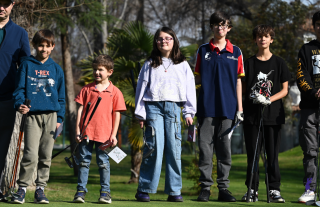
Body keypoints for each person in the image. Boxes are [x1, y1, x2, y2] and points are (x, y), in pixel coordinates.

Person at [134, 27, 196, 202]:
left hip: (174, 109)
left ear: (174, 40)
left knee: (174, 149)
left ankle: (174, 191)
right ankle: (144, 189)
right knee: (153, 147)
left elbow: (190, 88)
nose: (164, 41)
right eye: (160, 39)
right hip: (153, 108)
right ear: (156, 42)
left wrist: (189, 112)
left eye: (168, 38)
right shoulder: (149, 64)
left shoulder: (182, 64)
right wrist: (140, 114)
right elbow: (141, 89)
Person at [194, 11, 244, 202]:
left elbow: (239, 82)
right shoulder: (203, 50)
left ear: (229, 28)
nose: (220, 28)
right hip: (206, 108)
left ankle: (224, 189)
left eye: (223, 25)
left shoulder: (236, 52)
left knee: (224, 150)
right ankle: (205, 188)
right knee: (205, 149)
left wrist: (239, 109)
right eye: (216, 24)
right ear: (211, 27)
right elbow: (196, 78)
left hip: (228, 109)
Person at [11, 29, 65, 204]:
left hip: (51, 116)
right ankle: (22, 189)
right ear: (34, 46)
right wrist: (20, 104)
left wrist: (60, 119)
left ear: (53, 47)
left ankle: (40, 189)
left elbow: (62, 97)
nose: (43, 49)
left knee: (46, 155)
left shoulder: (56, 69)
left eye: (47, 46)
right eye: (40, 45)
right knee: (30, 154)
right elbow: (19, 90)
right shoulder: (27, 65)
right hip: (32, 116)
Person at [241, 25, 290, 203]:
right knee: (253, 154)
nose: (263, 39)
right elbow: (243, 89)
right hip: (252, 117)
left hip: (273, 115)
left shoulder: (279, 63)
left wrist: (269, 99)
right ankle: (252, 189)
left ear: (271, 40)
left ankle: (274, 190)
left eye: (266, 36)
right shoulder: (249, 63)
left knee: (272, 155)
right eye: (259, 36)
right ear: (255, 40)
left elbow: (285, 90)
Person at [72, 55, 126, 204]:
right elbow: (80, 110)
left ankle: (105, 193)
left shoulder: (115, 92)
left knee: (103, 163)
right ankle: (80, 192)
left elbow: (117, 115)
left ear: (110, 72)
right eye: (95, 69)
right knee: (84, 162)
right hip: (86, 134)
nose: (96, 72)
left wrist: (114, 135)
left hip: (105, 135)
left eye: (100, 70)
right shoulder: (86, 89)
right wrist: (78, 130)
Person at [0, 0, 30, 200]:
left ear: (12, 6)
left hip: (7, 99)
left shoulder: (20, 33)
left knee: (1, 147)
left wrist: (24, 98)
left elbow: (26, 67)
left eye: (5, 3)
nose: (1, 7)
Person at [296, 11, 320, 203]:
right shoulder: (306, 49)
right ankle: (309, 190)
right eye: (318, 24)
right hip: (310, 108)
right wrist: (314, 92)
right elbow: (301, 76)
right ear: (313, 26)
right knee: (310, 151)